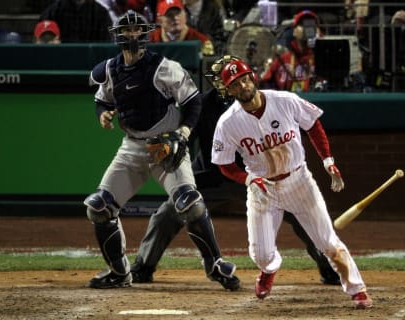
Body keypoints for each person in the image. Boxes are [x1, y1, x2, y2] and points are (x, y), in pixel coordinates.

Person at [130, 55, 340, 286]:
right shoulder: (201, 105)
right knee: (168, 213)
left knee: (300, 214)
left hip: (260, 177)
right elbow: (186, 139)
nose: (232, 84)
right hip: (211, 175)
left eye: (238, 78)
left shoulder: (262, 101)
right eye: (224, 80)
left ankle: (329, 267)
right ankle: (143, 267)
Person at [84, 9, 240, 291]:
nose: (132, 35)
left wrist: (182, 132)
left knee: (190, 203)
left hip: (166, 145)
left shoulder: (164, 67)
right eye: (126, 31)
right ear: (118, 36)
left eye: (136, 30)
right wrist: (103, 115)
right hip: (132, 147)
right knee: (98, 208)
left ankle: (215, 264)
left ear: (145, 33)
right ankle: (119, 272)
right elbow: (102, 101)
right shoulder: (108, 70)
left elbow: (193, 102)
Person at [211, 58, 373, 308]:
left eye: (244, 78)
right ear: (228, 90)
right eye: (235, 83)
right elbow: (224, 163)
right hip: (262, 189)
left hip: (298, 181)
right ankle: (270, 269)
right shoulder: (227, 123)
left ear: (252, 77)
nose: (242, 85)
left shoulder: (284, 100)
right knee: (261, 255)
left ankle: (357, 289)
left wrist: (328, 161)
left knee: (328, 242)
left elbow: (313, 125)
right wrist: (248, 179)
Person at [260, 10, 324, 93]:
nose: (307, 28)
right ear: (294, 32)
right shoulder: (282, 59)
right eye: (302, 24)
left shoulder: (323, 59)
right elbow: (265, 84)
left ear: (318, 31)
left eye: (311, 25)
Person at [149, 0, 215, 56]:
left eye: (178, 13)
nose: (175, 18)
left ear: (185, 15)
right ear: (159, 20)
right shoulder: (150, 40)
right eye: (169, 15)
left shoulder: (202, 41)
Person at [40, 0, 111, 42]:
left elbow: (105, 45)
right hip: (60, 59)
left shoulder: (101, 13)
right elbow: (42, 41)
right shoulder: (54, 10)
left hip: (91, 62)